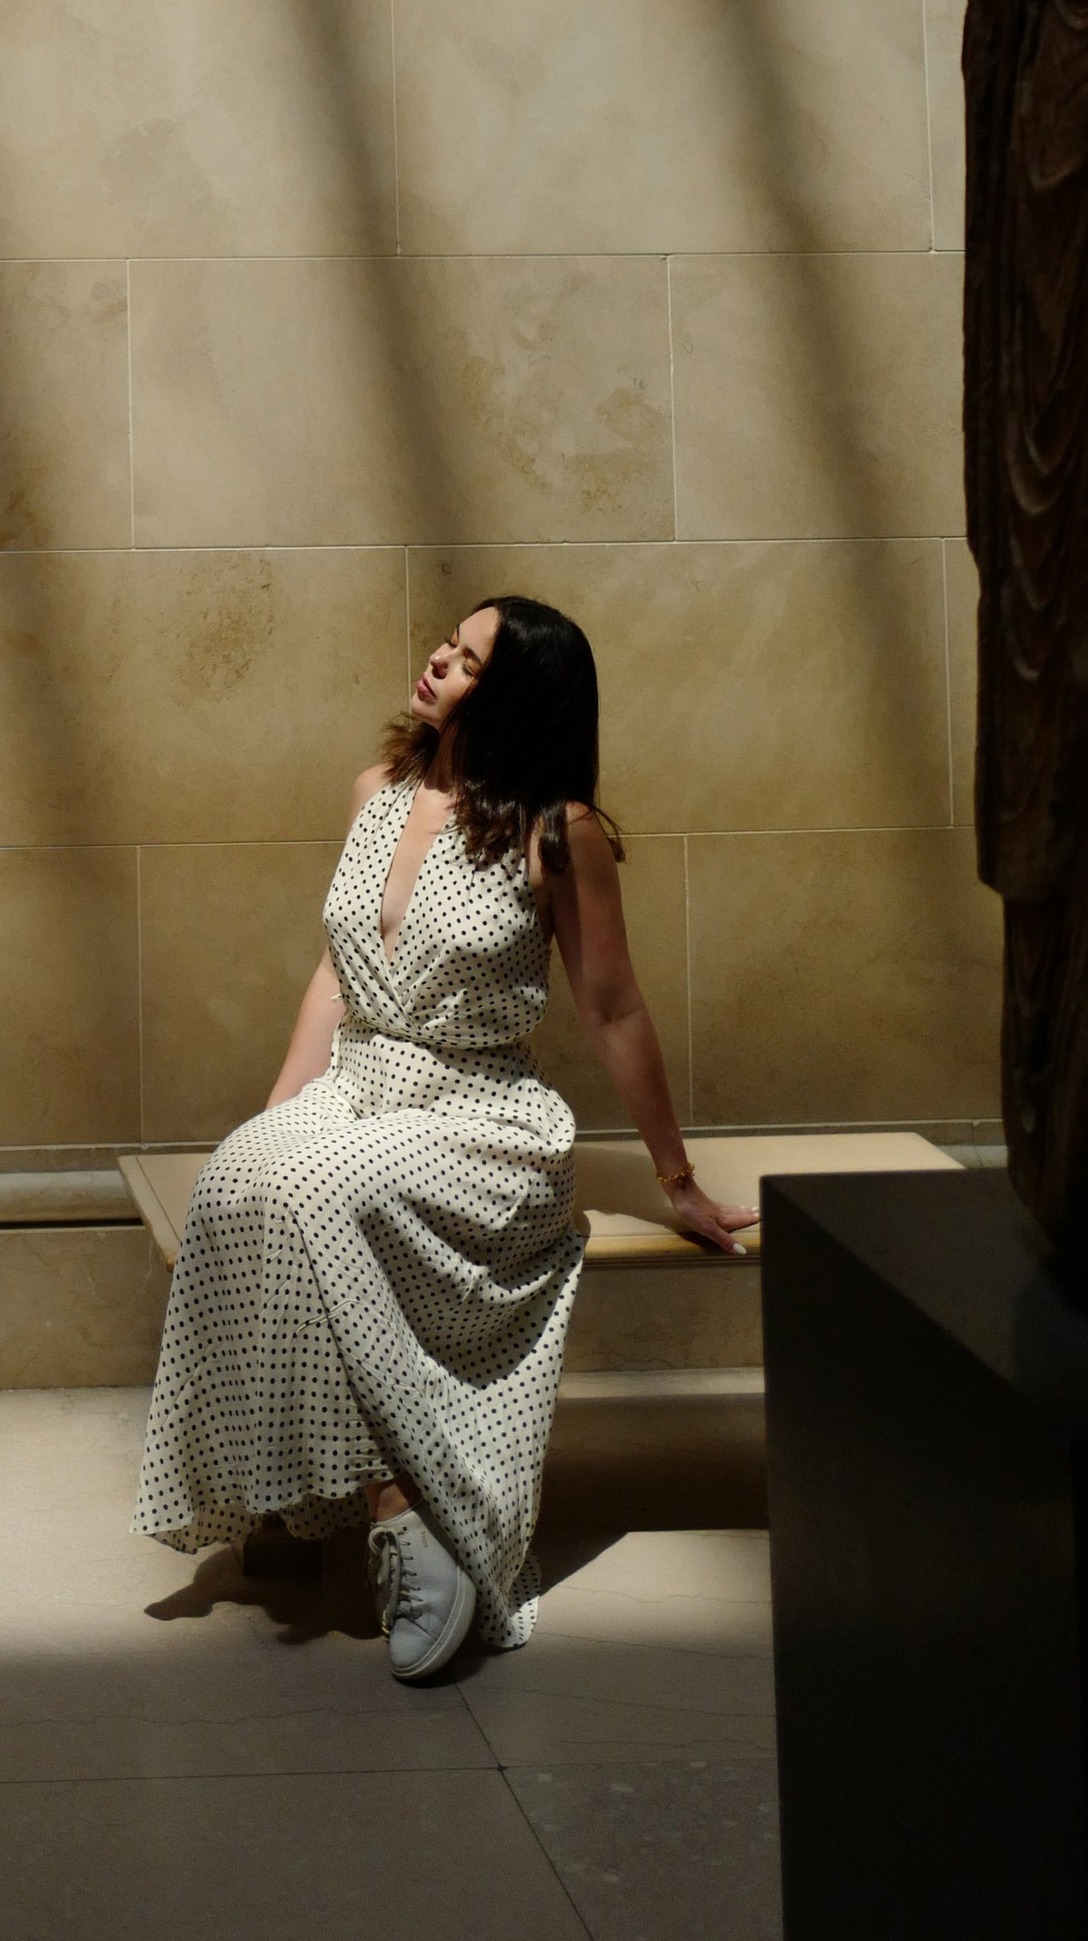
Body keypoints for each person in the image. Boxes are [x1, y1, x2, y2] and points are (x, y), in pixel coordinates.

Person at [135, 595, 754, 1680]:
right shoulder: (374, 792)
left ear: (511, 697)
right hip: (355, 1083)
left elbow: (611, 1008)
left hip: (476, 1111)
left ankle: (404, 1508)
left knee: (319, 1193)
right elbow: (334, 971)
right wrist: (274, 1113)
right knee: (245, 1179)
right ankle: (289, 1492)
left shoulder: (557, 831)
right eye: (446, 643)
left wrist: (677, 1178)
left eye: (466, 660)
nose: (436, 660)